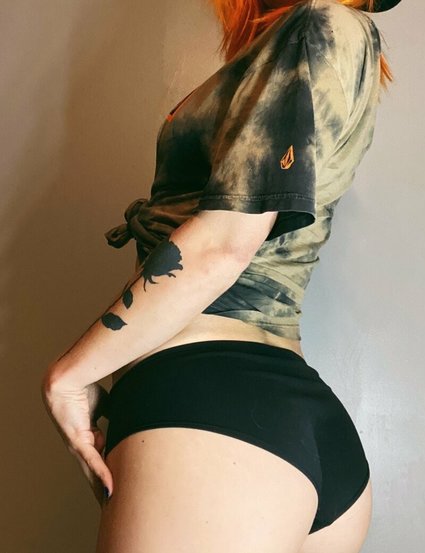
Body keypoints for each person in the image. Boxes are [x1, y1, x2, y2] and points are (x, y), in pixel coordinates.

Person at [41, 0, 401, 551]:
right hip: (269, 418)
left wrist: (69, 377)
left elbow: (225, 242)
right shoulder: (321, 36)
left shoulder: (317, 23)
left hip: (210, 407)